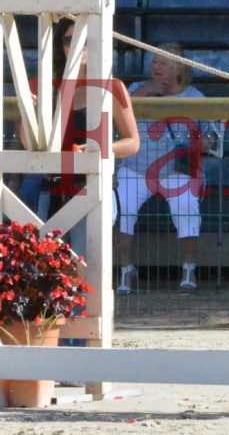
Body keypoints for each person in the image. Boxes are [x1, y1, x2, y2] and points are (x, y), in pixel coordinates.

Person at [19, 18, 140, 263]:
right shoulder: (41, 85)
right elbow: (28, 143)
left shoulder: (113, 87)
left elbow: (132, 142)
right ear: (59, 46)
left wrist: (99, 149)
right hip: (49, 185)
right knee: (47, 267)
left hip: (92, 186)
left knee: (88, 267)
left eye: (85, 41)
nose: (76, 47)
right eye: (68, 40)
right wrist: (26, 112)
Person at [115, 44, 207, 295]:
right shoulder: (136, 90)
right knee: (123, 210)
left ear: (180, 69)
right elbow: (118, 116)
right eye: (155, 62)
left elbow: (214, 137)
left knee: (186, 207)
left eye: (164, 63)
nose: (157, 67)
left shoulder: (195, 97)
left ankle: (189, 268)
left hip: (177, 170)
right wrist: (147, 92)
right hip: (135, 167)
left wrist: (199, 144)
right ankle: (126, 270)